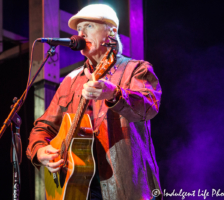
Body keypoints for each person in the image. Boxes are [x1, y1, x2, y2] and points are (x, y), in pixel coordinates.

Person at [26, 4, 163, 200]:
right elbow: (43, 127)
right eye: (78, 29)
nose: (81, 34)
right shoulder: (71, 81)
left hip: (124, 187)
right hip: (77, 188)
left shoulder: (135, 69)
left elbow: (149, 106)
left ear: (112, 32)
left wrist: (114, 94)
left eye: (88, 26)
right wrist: (39, 150)